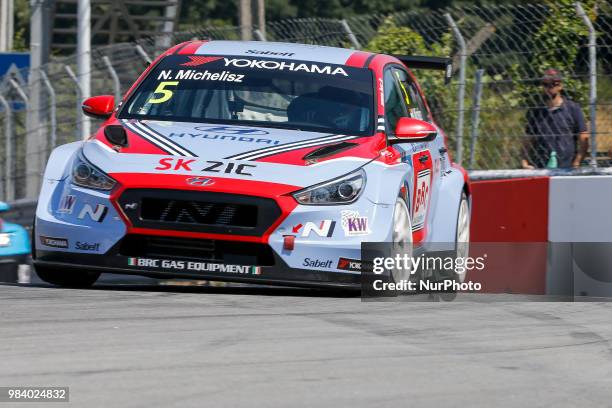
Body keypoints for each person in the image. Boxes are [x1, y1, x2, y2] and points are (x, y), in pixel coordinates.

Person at [522, 69, 589, 169]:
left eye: (553, 84)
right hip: (540, 168)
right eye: (545, 84)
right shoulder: (535, 111)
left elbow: (583, 137)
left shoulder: (573, 108)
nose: (549, 88)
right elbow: (528, 140)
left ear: (560, 86)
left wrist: (577, 162)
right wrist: (524, 162)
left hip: (567, 168)